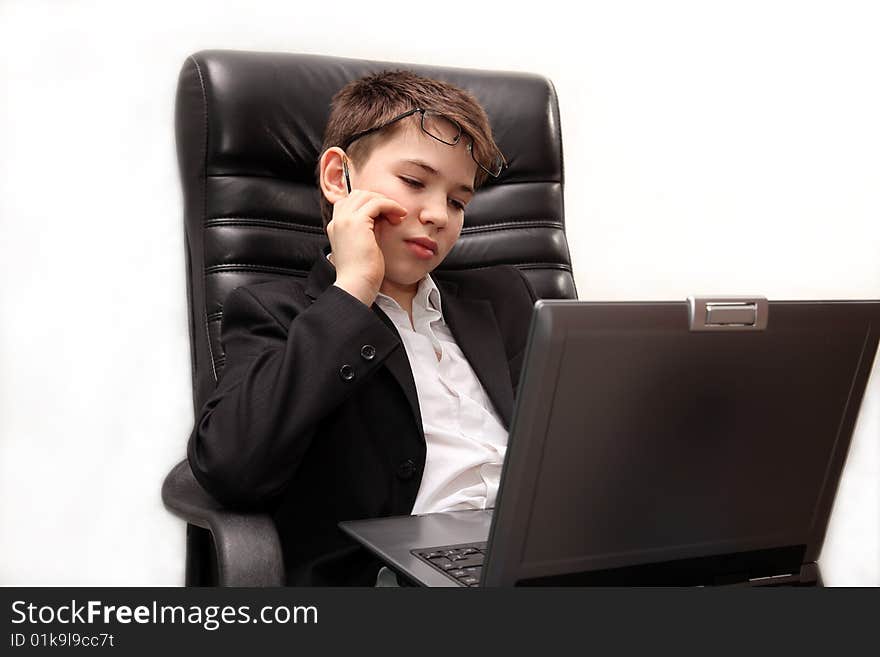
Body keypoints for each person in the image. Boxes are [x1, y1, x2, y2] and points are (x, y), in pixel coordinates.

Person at [187, 70, 538, 586]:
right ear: (338, 179)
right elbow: (233, 468)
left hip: (536, 555)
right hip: (398, 580)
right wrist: (352, 289)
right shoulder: (275, 313)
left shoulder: (505, 299)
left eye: (459, 201)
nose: (439, 214)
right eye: (415, 182)